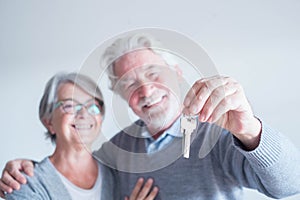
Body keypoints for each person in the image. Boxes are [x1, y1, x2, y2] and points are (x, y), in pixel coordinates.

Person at [1, 33, 300, 199]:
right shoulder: (116, 151)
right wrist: (27, 167)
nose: (145, 90)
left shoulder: (217, 135)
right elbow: (72, 171)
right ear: (121, 97)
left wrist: (250, 130)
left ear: (177, 73)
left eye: (153, 73)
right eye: (130, 84)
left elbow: (290, 184)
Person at [1, 72, 158, 200]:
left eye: (93, 107)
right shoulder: (26, 184)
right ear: (49, 122)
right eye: (69, 106)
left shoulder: (117, 173)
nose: (84, 114)